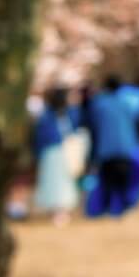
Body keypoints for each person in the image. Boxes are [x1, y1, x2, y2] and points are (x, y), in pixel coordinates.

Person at [86, 76, 139, 217]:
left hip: (106, 148)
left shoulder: (98, 103)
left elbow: (92, 126)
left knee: (108, 180)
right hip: (126, 147)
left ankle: (107, 208)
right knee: (123, 179)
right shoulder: (126, 103)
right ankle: (121, 207)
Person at [32, 88, 79, 225]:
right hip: (53, 152)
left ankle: (60, 210)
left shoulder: (66, 114)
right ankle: (56, 210)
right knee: (55, 182)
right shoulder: (48, 116)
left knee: (61, 182)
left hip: (61, 152)